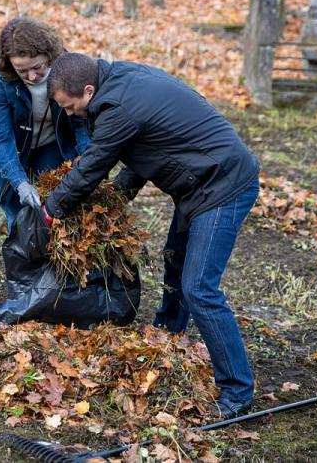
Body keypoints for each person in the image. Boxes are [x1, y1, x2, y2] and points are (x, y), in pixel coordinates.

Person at [41, 52, 260, 419]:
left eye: (70, 105)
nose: (69, 113)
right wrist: (115, 201)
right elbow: (142, 148)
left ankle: (237, 391)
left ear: (89, 90)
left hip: (223, 185)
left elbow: (94, 164)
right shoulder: (121, 83)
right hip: (199, 185)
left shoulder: (118, 107)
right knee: (175, 259)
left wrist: (52, 209)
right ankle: (169, 333)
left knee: (200, 289)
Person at [0, 18, 90, 230]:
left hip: (51, 146)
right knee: (18, 216)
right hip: (12, 149)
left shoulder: (66, 67)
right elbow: (0, 136)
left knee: (51, 209)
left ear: (48, 54)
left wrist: (88, 158)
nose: (32, 76)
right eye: (22, 71)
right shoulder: (2, 79)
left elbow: (79, 121)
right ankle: (21, 253)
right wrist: (20, 183)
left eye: (37, 67)